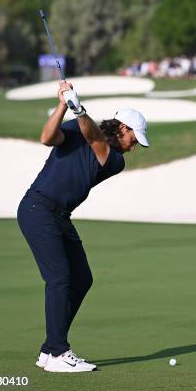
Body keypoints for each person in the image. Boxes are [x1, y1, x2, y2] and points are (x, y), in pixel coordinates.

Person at [17, 81, 149, 373]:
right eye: (134, 137)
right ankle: (57, 352)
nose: (135, 144)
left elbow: (97, 142)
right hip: (37, 208)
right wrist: (64, 104)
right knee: (60, 278)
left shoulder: (115, 161)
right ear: (123, 127)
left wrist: (79, 109)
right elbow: (46, 137)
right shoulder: (78, 128)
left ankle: (50, 349)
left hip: (60, 216)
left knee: (82, 278)